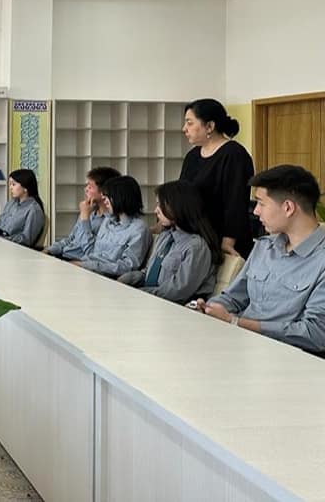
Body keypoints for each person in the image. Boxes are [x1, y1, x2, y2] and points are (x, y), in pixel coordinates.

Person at [195, 165, 325, 353]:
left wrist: (236, 322)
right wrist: (208, 309)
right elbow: (234, 297)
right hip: (237, 344)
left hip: (282, 357)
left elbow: (316, 334)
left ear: (288, 207)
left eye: (261, 204)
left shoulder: (320, 261)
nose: (256, 211)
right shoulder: (264, 246)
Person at [119, 180, 222, 304]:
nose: (156, 210)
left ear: (177, 206)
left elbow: (178, 291)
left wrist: (139, 293)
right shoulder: (165, 237)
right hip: (151, 300)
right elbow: (150, 273)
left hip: (173, 306)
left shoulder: (196, 247)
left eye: (160, 205)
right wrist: (128, 279)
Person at [180, 98, 255, 258]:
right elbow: (179, 194)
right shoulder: (192, 155)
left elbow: (236, 202)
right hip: (196, 238)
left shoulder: (234, 154)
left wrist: (228, 241)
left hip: (224, 241)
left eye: (190, 123)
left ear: (210, 126)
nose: (184, 129)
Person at [71, 175, 152, 278]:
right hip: (87, 269)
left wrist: (86, 266)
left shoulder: (138, 229)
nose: (105, 201)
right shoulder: (107, 221)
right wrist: (84, 219)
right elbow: (91, 252)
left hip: (103, 277)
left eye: (108, 197)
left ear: (121, 197)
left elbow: (126, 267)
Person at [46, 166, 121, 260]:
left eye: (90, 186)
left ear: (104, 191)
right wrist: (48, 250)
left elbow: (91, 253)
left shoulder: (109, 221)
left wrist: (85, 218)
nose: (86, 189)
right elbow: (70, 239)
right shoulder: (89, 210)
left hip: (77, 262)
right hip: (63, 256)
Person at [0, 169, 45, 247]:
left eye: (13, 184)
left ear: (25, 188)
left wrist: (5, 238)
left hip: (15, 249)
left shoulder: (34, 209)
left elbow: (27, 239)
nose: (10, 188)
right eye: (10, 184)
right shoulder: (11, 203)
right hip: (0, 244)